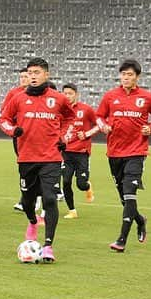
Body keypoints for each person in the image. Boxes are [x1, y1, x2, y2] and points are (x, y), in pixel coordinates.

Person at [0, 57, 75, 263]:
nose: (33, 76)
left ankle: (49, 246)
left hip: (51, 156)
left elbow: (70, 119)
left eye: (37, 72)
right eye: (30, 72)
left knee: (50, 198)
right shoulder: (17, 98)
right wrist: (13, 130)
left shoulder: (58, 99)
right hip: (26, 158)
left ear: (46, 75)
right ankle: (32, 222)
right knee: (28, 200)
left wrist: (64, 137)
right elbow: (3, 120)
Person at [96, 59, 151, 252]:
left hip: (137, 152)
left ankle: (121, 240)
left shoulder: (147, 97)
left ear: (137, 77)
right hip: (115, 152)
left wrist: (150, 128)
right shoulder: (110, 96)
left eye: (130, 75)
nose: (126, 78)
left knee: (129, 193)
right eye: (123, 74)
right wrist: (104, 126)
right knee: (124, 198)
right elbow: (99, 116)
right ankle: (140, 220)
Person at [60, 83, 99, 218]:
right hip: (66, 152)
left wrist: (87, 134)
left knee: (81, 184)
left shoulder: (86, 109)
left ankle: (87, 187)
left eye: (70, 93)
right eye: (64, 93)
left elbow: (98, 125)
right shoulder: (60, 110)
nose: (67, 96)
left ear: (76, 94)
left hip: (82, 153)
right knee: (65, 181)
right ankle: (72, 210)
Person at [3, 68, 31, 212]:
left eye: (26, 76)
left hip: (37, 134)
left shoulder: (39, 93)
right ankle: (27, 197)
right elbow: (5, 113)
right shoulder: (14, 93)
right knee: (23, 165)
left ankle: (32, 198)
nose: (23, 79)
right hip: (19, 135)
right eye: (21, 77)